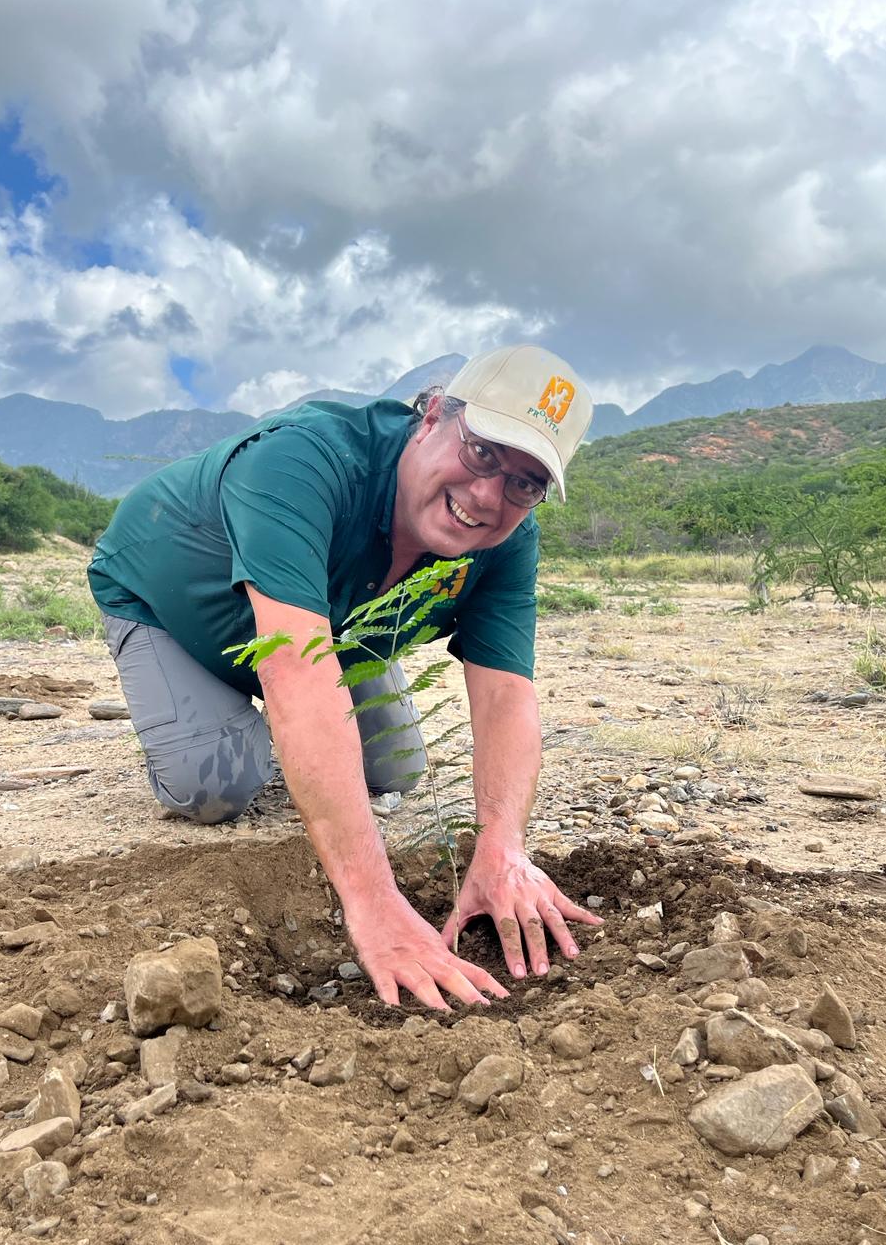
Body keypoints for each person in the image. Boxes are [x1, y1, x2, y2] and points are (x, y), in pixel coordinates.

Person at [88, 343, 605, 1010]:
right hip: (169, 606)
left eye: (524, 484)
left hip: (326, 627)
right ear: (432, 417)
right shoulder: (301, 459)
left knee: (396, 767)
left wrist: (502, 849)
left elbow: (506, 691)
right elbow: (297, 668)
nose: (487, 495)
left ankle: (297, 743)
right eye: (482, 452)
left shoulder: (506, 542)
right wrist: (375, 904)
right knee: (214, 787)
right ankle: (216, 717)